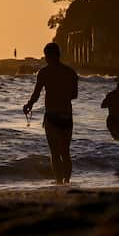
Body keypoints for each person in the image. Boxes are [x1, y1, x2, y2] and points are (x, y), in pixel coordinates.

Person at [23, 42, 78, 185]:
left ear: (48, 55)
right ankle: (67, 181)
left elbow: (36, 95)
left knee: (55, 153)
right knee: (65, 152)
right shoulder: (70, 72)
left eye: (46, 55)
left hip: (52, 115)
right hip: (67, 115)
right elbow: (74, 95)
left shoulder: (44, 72)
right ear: (59, 55)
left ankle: (59, 181)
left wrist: (28, 106)